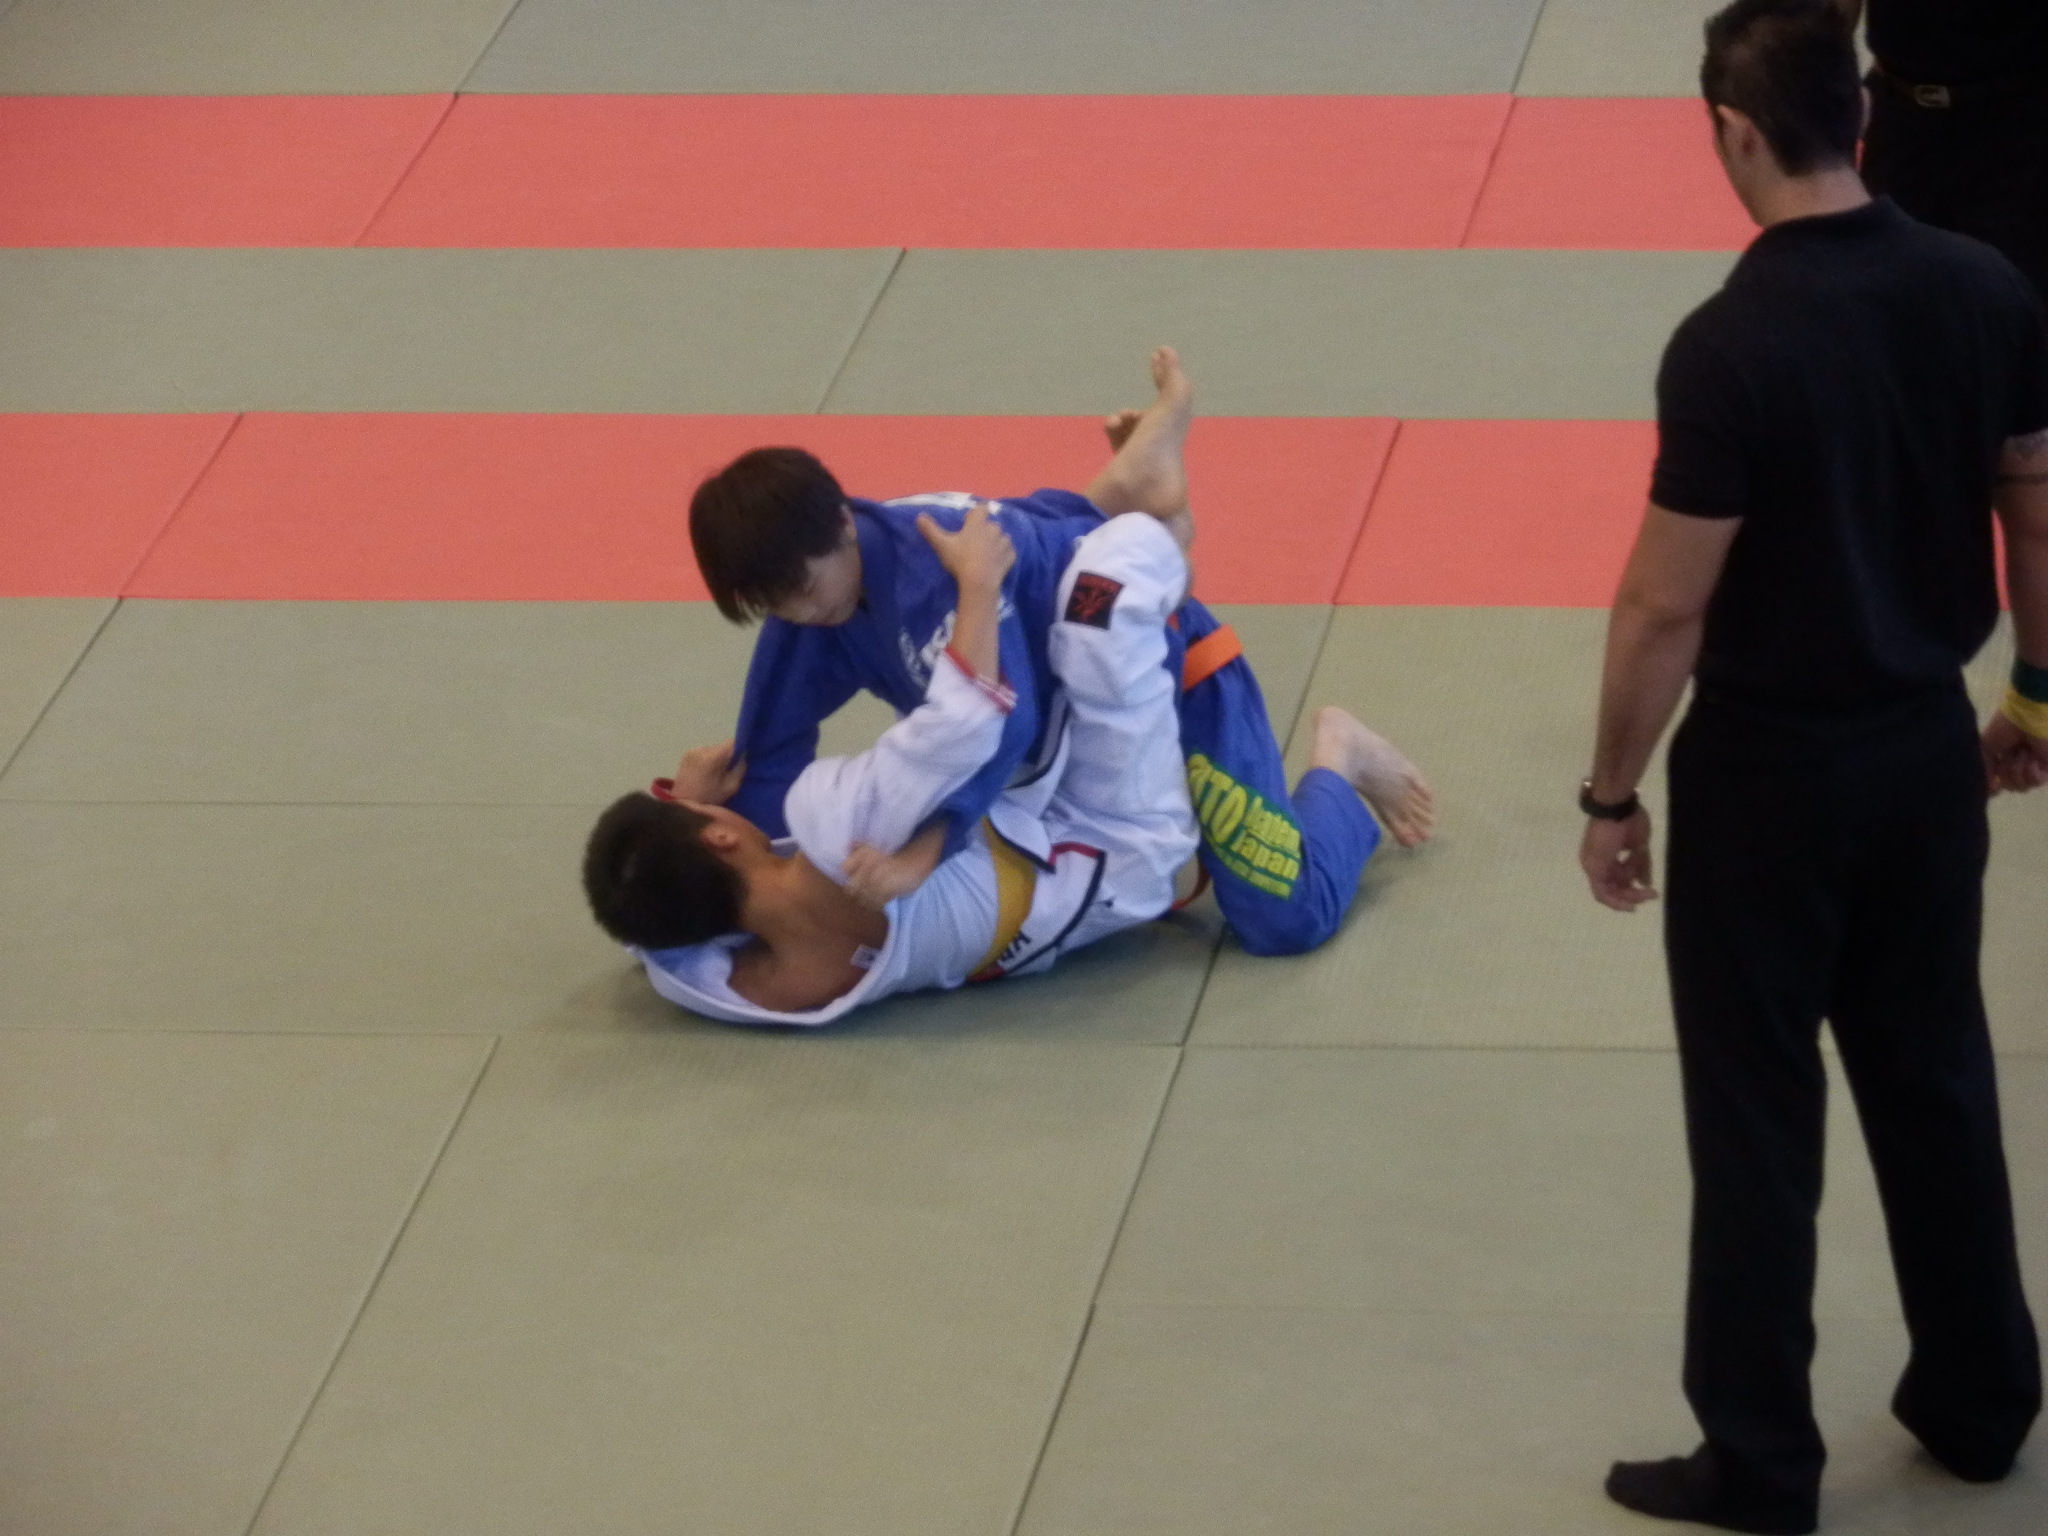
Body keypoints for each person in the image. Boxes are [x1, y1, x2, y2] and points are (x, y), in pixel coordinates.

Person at [1578, 2, 2048, 1530]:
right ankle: (1982, 1405)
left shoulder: (1730, 344)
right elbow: (2035, 512)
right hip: (1924, 755)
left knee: (1758, 1117)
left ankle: (1762, 1458)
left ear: (1734, 133)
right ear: (1859, 109)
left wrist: (1611, 791)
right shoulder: (1983, 287)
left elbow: (1663, 605)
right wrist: (2036, 699)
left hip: (1769, 779)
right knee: (1939, 1080)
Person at [690, 347, 1432, 959]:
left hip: (1170, 681)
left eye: (801, 589)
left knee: (1283, 918)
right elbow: (769, 750)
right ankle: (1131, 493)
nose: (796, 614)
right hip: (1065, 730)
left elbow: (999, 722)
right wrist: (726, 858)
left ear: (844, 524)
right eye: (771, 605)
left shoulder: (938, 578)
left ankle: (1340, 759)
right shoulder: (813, 605)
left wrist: (926, 852)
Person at [583, 506, 1198, 1024]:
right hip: (1122, 834)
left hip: (1059, 871)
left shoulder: (741, 988)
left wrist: (682, 812)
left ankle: (1094, 497)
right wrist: (978, 583)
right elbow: (966, 721)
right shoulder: (839, 825)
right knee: (1103, 583)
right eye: (705, 816)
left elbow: (647, 932)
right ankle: (1160, 518)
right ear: (718, 836)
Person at [1835, 0, 2048, 303]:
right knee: (1886, 291)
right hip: (1900, 115)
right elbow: (1831, 13)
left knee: (2012, 297)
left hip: (2017, 120)